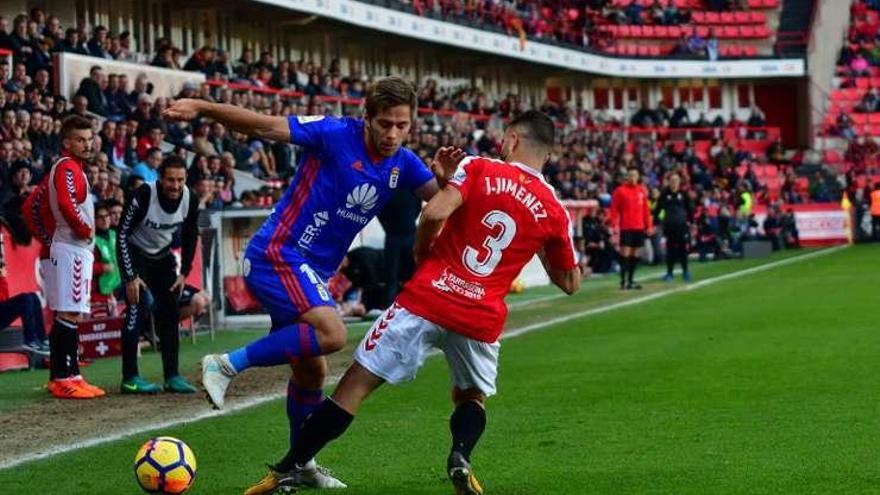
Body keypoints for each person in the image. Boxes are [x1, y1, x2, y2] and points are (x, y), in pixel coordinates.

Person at [243, 110, 581, 495]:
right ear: (548, 155)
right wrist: (535, 243)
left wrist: (423, 253)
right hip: (480, 315)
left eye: (505, 138)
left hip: (427, 298)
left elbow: (434, 211)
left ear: (513, 140)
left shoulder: (480, 167)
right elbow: (569, 282)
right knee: (471, 395)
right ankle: (460, 455)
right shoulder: (554, 208)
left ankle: (288, 468)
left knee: (354, 387)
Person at [162, 76, 449, 489]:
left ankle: (300, 465)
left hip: (311, 270)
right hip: (278, 254)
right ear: (366, 117)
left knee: (312, 374)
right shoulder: (334, 133)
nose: (392, 134)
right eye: (385, 123)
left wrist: (448, 179)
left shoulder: (403, 163)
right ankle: (224, 365)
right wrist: (204, 107)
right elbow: (264, 126)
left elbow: (442, 201)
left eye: (402, 125)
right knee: (331, 334)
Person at [116, 155, 200, 394]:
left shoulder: (189, 198)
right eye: (170, 180)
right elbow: (122, 234)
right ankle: (130, 377)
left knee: (170, 312)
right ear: (160, 179)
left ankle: (172, 376)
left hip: (162, 257)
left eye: (180, 180)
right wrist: (130, 276)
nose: (175, 185)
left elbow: (191, 234)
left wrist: (184, 272)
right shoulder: (144, 194)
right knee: (137, 307)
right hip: (136, 254)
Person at [42, 115, 105, 399]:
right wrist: (85, 229)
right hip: (71, 247)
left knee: (71, 312)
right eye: (80, 139)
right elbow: (67, 204)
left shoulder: (74, 168)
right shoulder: (67, 167)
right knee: (68, 312)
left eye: (89, 139)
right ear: (67, 142)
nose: (87, 144)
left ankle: (70, 375)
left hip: (74, 248)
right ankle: (63, 377)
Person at [610, 166, 653, 290]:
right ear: (627, 177)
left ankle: (631, 280)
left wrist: (649, 226)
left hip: (639, 227)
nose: (633, 178)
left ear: (638, 177)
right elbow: (614, 210)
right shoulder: (620, 191)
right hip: (626, 227)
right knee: (625, 254)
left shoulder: (641, 191)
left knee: (635, 254)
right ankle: (623, 281)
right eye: (631, 175)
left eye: (635, 175)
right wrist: (614, 225)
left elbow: (646, 211)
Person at [654, 173, 693, 281]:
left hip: (682, 226)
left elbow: (690, 209)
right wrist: (654, 223)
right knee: (670, 250)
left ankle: (685, 272)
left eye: (676, 180)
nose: (674, 183)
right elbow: (658, 209)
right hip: (669, 227)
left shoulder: (683, 194)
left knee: (683, 250)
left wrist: (692, 222)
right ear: (669, 182)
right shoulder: (664, 194)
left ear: (679, 182)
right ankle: (669, 273)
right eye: (672, 180)